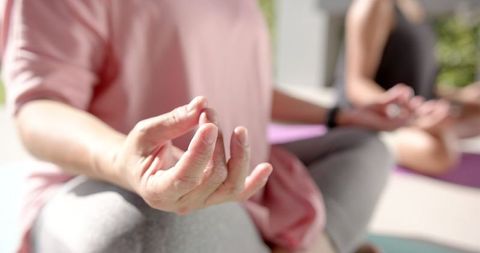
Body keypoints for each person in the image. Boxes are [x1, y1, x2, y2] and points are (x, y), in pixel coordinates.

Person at [2, 0, 412, 252]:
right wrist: (126, 163)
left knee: (364, 149)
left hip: (241, 187)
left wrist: (339, 116)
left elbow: (241, 82)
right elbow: (41, 108)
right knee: (138, 230)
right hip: (114, 187)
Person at [338, 0, 480, 175]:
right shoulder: (373, 4)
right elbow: (357, 86)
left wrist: (462, 95)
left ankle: (436, 129)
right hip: (379, 117)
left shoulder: (414, 8)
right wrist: (414, 115)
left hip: (420, 108)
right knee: (439, 153)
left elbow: (419, 83)